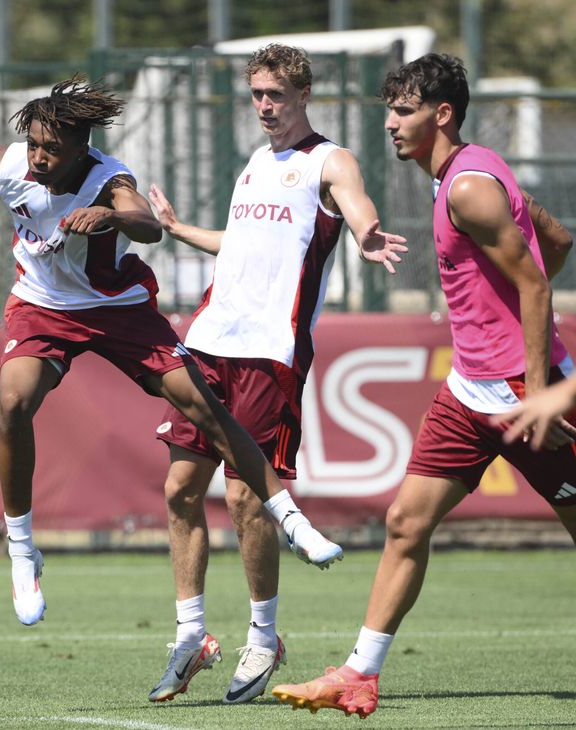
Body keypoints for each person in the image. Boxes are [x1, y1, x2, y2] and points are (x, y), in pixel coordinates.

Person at [0, 75, 342, 629]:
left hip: (116, 309)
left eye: (53, 149)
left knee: (203, 406)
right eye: (35, 145)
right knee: (14, 405)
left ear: (82, 148)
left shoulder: (107, 178)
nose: (39, 158)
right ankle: (23, 551)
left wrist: (113, 217)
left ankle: (288, 515)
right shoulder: (16, 162)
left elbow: (146, 225)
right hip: (42, 307)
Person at [271, 53, 576, 718]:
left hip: (525, 394)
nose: (390, 124)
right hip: (468, 394)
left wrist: (539, 390)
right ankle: (359, 674)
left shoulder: (467, 187)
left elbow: (534, 282)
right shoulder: (465, 176)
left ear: (441, 114)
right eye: (389, 110)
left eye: (404, 110)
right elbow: (554, 238)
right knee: (406, 522)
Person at [143, 43, 408, 705]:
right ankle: (193, 635)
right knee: (179, 490)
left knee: (243, 498)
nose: (264, 106)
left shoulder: (329, 159)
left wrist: (367, 232)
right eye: (257, 94)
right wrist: (177, 229)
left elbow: (356, 205)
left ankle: (264, 636)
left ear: (301, 96)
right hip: (209, 340)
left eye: (275, 96)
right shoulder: (257, 163)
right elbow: (241, 244)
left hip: (270, 352)